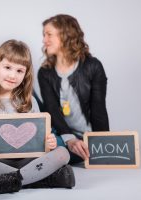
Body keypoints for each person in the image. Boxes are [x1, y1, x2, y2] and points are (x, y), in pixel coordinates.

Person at [0, 40, 75, 199]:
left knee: (63, 153)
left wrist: (48, 143)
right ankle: (42, 179)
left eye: (19, 70)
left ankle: (3, 182)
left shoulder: (29, 100)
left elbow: (41, 136)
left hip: (29, 160)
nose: (12, 75)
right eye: (7, 67)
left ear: (25, 75)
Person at [38, 14, 109, 164]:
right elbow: (52, 110)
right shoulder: (45, 72)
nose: (44, 40)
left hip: (86, 135)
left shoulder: (93, 66)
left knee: (66, 153)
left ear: (66, 34)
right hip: (60, 135)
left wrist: (102, 143)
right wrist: (69, 139)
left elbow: (99, 109)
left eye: (49, 34)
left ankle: (65, 156)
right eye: (44, 35)